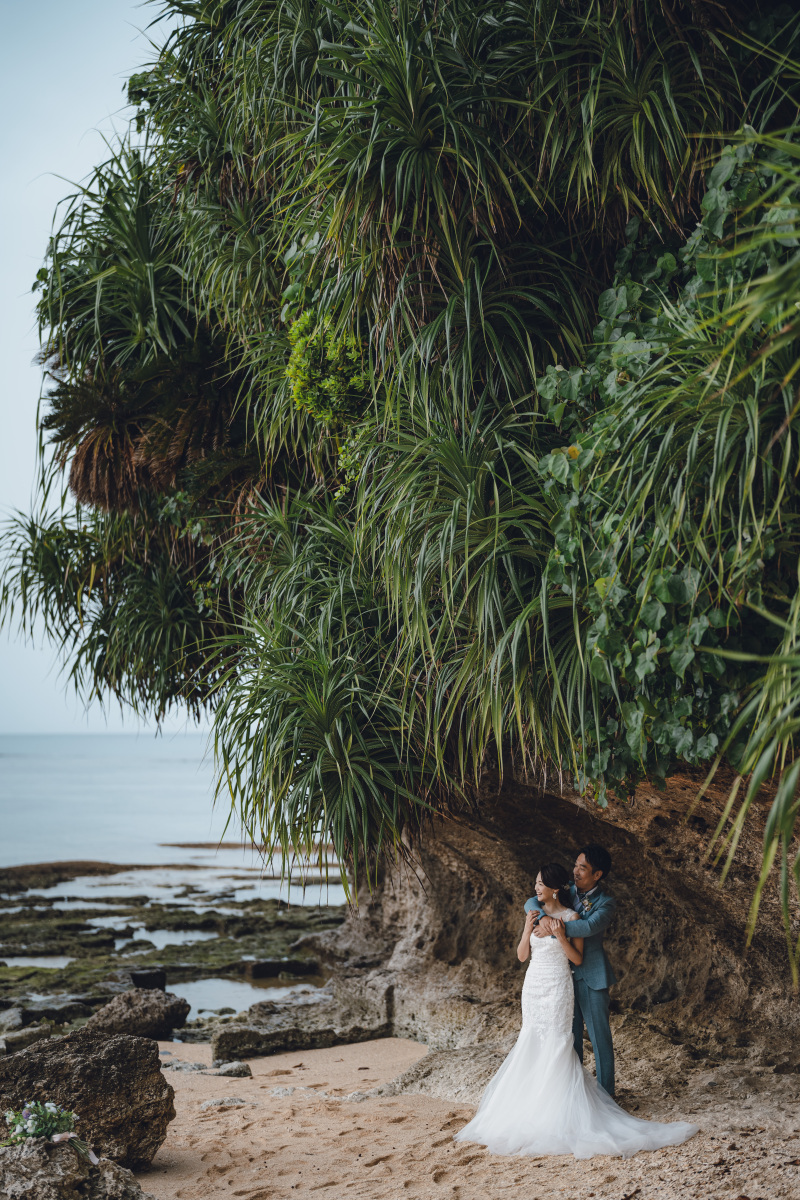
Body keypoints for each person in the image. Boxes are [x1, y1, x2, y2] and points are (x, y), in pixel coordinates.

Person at [453, 861, 698, 1159]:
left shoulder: (574, 916)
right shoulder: (534, 912)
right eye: (535, 884)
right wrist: (530, 925)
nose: (535, 888)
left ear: (555, 889)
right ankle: (533, 1102)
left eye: (540, 884)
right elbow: (521, 955)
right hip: (533, 986)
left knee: (561, 1040)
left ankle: (589, 1100)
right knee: (531, 1038)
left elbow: (577, 959)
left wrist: (559, 934)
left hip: (558, 983)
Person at [528, 843, 617, 1096]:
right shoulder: (564, 889)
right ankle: (575, 1097)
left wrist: (552, 928)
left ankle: (607, 1098)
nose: (575, 871)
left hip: (592, 977)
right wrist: (542, 918)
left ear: (597, 875)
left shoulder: (606, 903)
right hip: (561, 980)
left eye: (583, 868)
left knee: (600, 1040)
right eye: (575, 865)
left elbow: (588, 929)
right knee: (569, 1039)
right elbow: (531, 900)